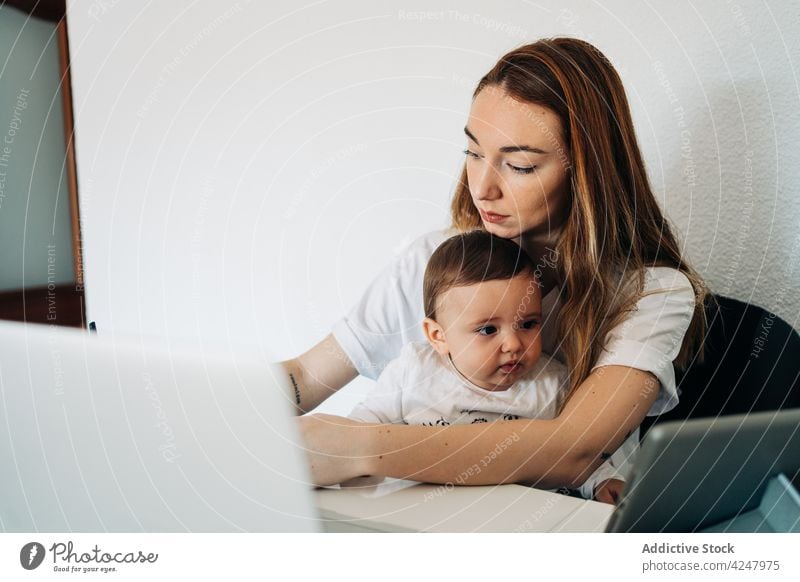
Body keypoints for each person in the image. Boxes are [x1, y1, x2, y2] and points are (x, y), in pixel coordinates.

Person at [282, 37, 708, 492]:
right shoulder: (438, 260)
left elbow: (574, 450)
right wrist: (221, 413)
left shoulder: (653, 295)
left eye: (520, 165)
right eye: (473, 153)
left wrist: (357, 447)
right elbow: (306, 375)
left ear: (587, 173)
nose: (482, 187)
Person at [348, 230, 626, 502]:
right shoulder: (414, 371)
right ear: (438, 336)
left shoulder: (552, 383)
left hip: (520, 514)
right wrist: (353, 469)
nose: (514, 344)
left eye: (528, 324)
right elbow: (365, 424)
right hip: (425, 510)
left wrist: (601, 481)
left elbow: (577, 452)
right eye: (488, 330)